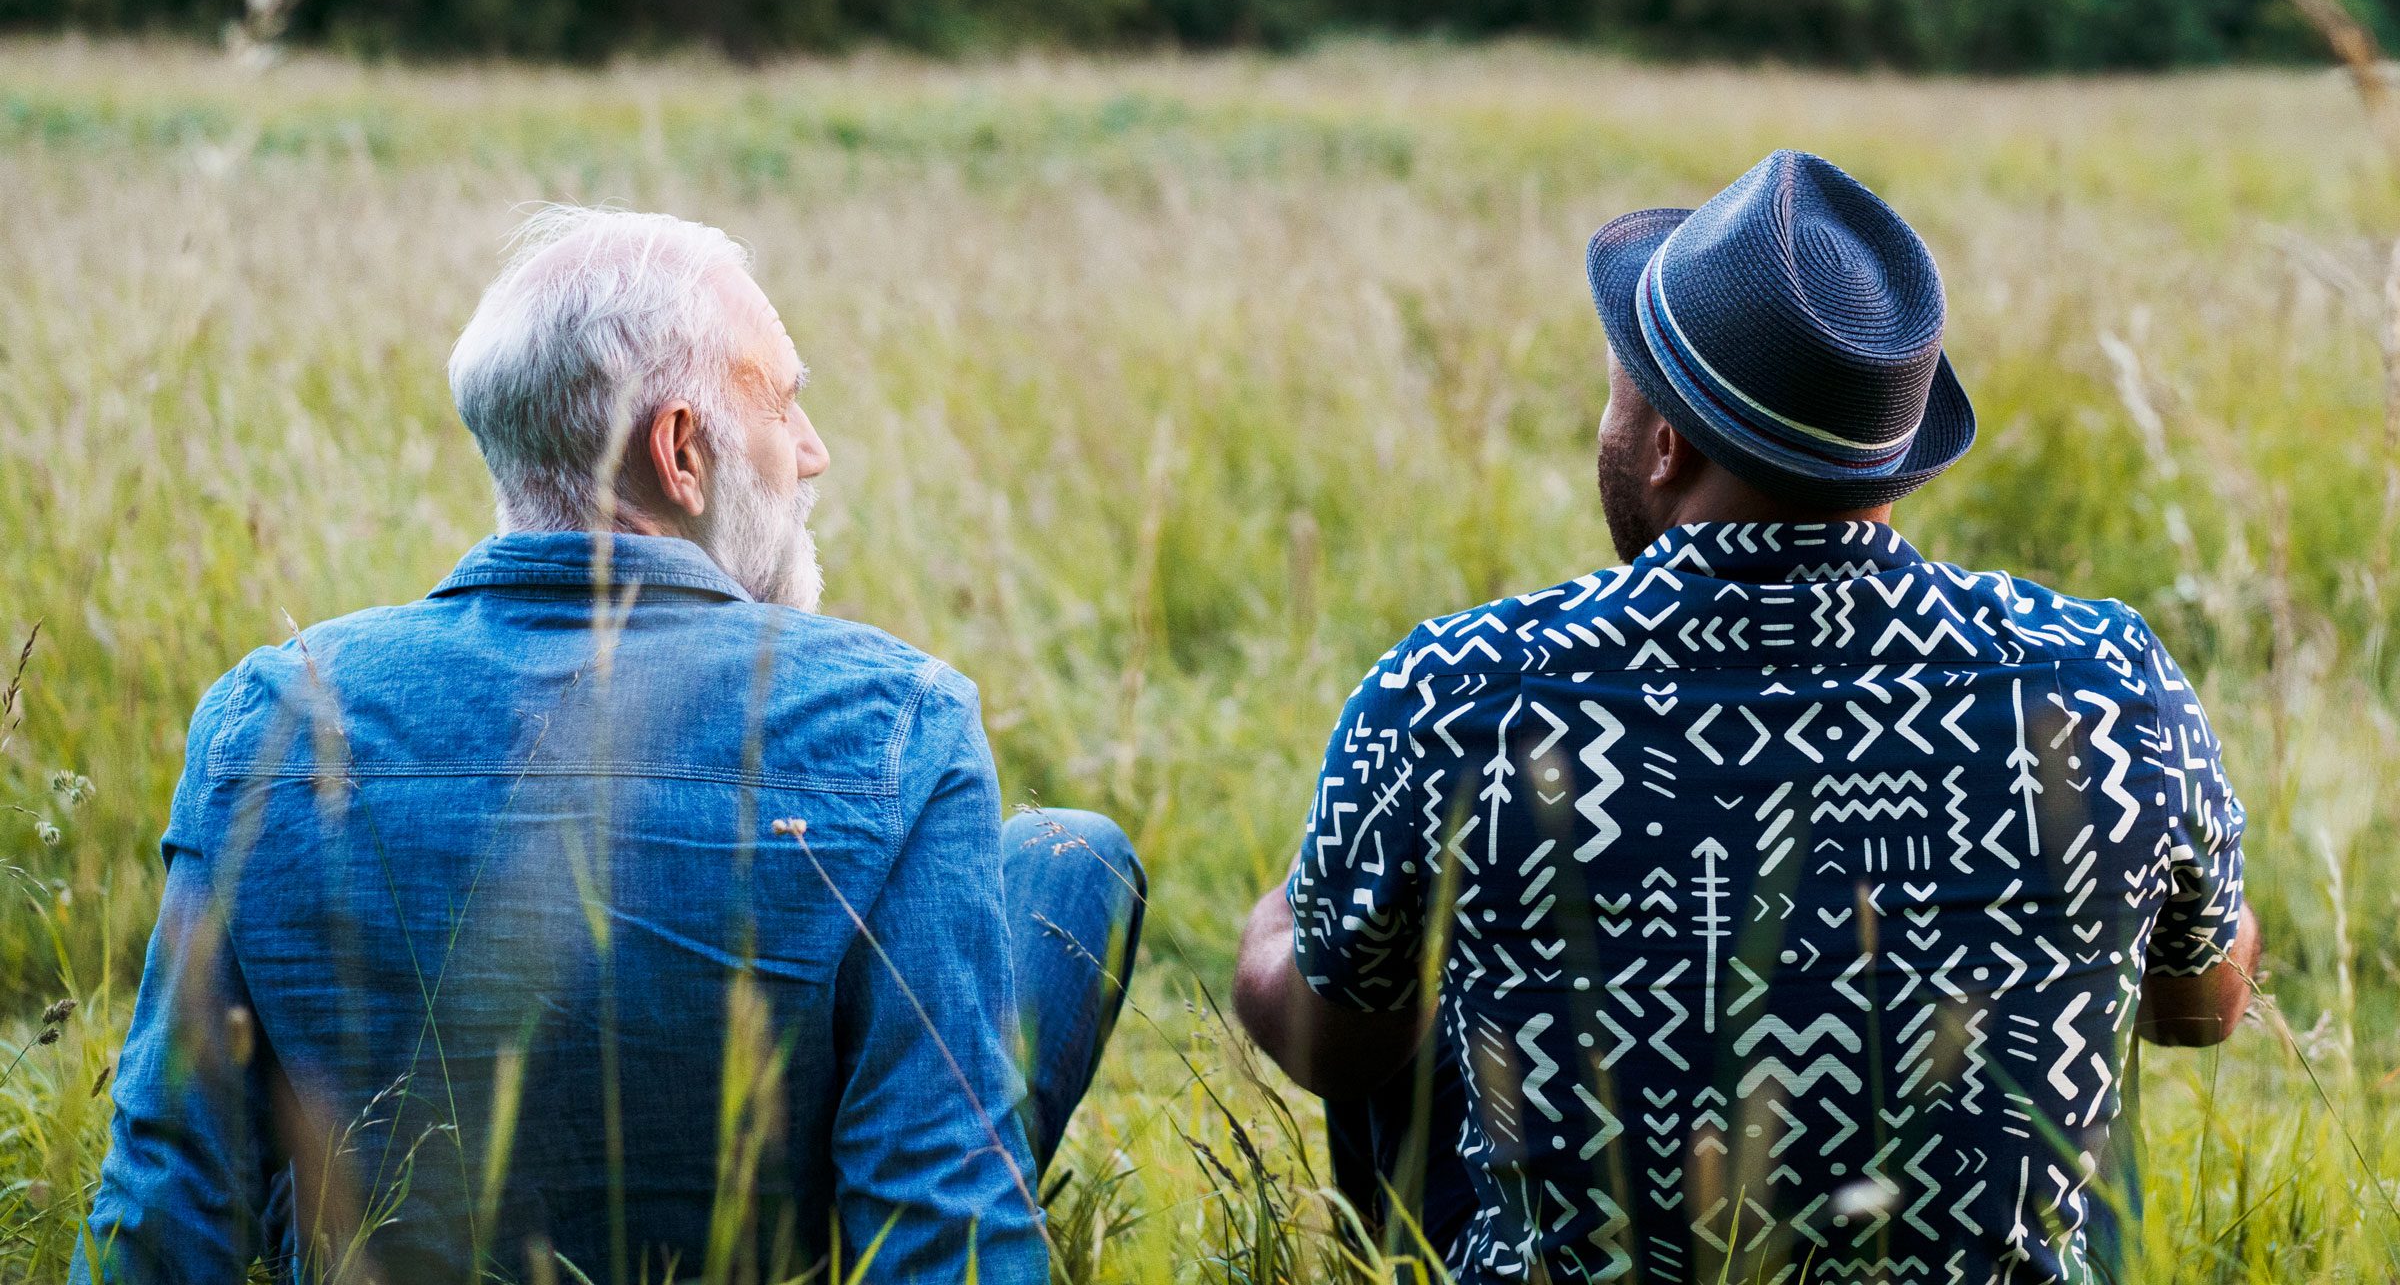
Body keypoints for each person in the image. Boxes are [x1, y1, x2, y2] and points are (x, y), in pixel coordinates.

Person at [1234, 150, 2258, 1284]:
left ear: (1667, 444)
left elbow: (1332, 1045)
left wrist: (1291, 915)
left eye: (1618, 396)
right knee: (2063, 1036)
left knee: (1406, 959)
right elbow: (2200, 1007)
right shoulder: (2107, 682)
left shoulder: (1461, 692)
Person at [78, 208, 1143, 1284]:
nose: (813, 451)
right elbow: (945, 1228)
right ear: (681, 452)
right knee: (1064, 858)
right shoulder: (902, 719)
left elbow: (166, 1207)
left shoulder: (269, 716)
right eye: (784, 402)